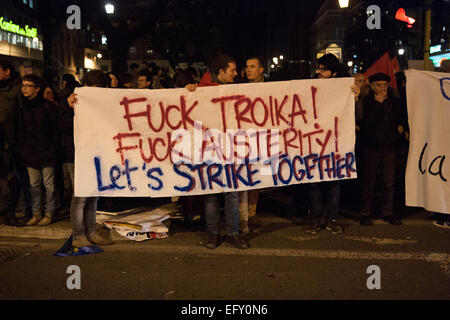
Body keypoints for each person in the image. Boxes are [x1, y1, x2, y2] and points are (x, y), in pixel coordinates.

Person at [185, 54, 249, 250]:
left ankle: (233, 233)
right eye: (232, 70)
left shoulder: (235, 88)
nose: (236, 74)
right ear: (221, 72)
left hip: (230, 148)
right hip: (210, 150)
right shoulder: (200, 90)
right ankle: (213, 233)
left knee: (232, 195)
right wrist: (189, 91)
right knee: (212, 195)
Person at [304, 54, 360, 235]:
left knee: (334, 185)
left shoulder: (345, 88)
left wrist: (355, 98)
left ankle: (332, 220)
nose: (319, 72)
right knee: (314, 185)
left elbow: (357, 115)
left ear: (334, 73)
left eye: (323, 69)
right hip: (314, 142)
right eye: (318, 68)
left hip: (335, 144)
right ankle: (315, 219)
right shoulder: (311, 85)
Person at [66, 70, 114, 247]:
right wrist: (69, 105)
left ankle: (91, 233)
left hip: (98, 154)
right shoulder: (73, 101)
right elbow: (61, 125)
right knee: (80, 197)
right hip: (79, 155)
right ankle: (78, 235)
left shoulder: (105, 101)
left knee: (93, 196)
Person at [359, 72, 405, 226]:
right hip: (371, 146)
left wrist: (400, 128)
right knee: (369, 182)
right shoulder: (366, 100)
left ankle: (388, 213)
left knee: (389, 183)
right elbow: (366, 123)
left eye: (385, 85)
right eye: (379, 85)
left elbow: (400, 116)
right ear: (372, 86)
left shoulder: (394, 98)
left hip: (389, 146)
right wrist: (378, 104)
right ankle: (365, 213)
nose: (382, 88)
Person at [15, 74, 58, 226]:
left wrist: (52, 149)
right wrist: (23, 150)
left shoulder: (47, 107)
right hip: (30, 152)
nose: (24, 88)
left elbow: (54, 130)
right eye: (23, 85)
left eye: (28, 85)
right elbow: (20, 131)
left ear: (37, 89)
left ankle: (49, 213)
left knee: (49, 184)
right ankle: (36, 213)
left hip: (46, 151)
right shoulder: (21, 107)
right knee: (34, 184)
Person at [0, 60, 32, 226]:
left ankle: (13, 212)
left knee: (16, 179)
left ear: (7, 72)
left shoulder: (17, 90)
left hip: (12, 143)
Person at [238, 56, 266, 233]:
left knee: (258, 178)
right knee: (244, 178)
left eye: (253, 67)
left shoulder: (271, 88)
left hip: (262, 139)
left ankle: (252, 213)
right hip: (243, 140)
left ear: (261, 69)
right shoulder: (240, 87)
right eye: (247, 67)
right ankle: (243, 219)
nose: (249, 70)